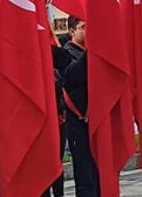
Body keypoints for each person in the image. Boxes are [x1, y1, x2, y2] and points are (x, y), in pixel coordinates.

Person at [60, 16, 101, 197]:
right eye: (84, 27)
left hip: (99, 118)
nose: (89, 31)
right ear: (72, 31)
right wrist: (91, 49)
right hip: (79, 119)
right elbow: (74, 75)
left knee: (101, 173)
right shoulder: (67, 53)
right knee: (86, 175)